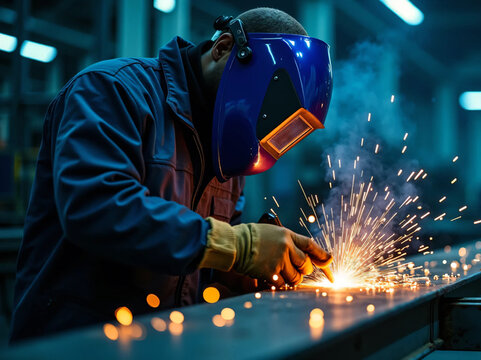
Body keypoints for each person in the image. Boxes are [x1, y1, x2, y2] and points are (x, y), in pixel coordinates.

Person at [11, 7, 334, 342]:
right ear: (224, 47)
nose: (265, 130)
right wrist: (238, 245)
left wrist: (236, 272)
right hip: (75, 343)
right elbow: (96, 208)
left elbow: (195, 260)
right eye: (269, 111)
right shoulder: (112, 91)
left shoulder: (228, 152)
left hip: (162, 342)